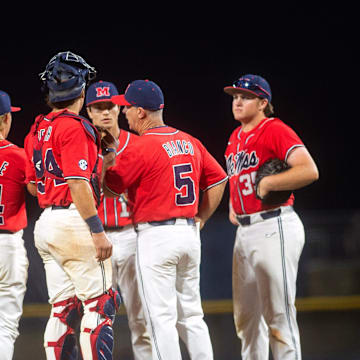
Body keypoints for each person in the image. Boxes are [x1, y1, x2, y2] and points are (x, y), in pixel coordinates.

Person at [103, 79, 228, 360]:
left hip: (156, 237)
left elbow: (111, 188)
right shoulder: (189, 140)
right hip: (188, 232)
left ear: (141, 113)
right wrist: (201, 218)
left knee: (160, 319)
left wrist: (108, 156)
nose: (124, 113)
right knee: (192, 316)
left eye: (128, 108)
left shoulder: (141, 146)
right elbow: (219, 179)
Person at [24, 51, 120, 360]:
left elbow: (32, 184)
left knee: (62, 308)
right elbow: (78, 182)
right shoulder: (75, 127)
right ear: (80, 88)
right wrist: (97, 231)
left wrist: (101, 159)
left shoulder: (37, 129)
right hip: (74, 221)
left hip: (46, 223)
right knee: (100, 303)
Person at [223, 74, 319, 360]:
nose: (237, 101)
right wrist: (235, 205)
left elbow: (309, 169)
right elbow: (236, 178)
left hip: (274, 224)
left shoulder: (274, 129)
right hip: (246, 230)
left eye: (246, 96)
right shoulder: (234, 137)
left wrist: (268, 184)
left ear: (264, 102)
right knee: (247, 321)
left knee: (279, 316)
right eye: (235, 97)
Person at [85, 80, 152, 359]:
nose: (105, 112)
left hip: (132, 235)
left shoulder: (137, 144)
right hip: (97, 239)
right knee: (96, 317)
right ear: (89, 111)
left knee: (142, 317)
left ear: (118, 107)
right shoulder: (84, 147)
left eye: (110, 106)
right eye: (98, 107)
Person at [0, 91, 29, 360]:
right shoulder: (18, 156)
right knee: (5, 325)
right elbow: (37, 191)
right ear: (6, 118)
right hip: (6, 245)